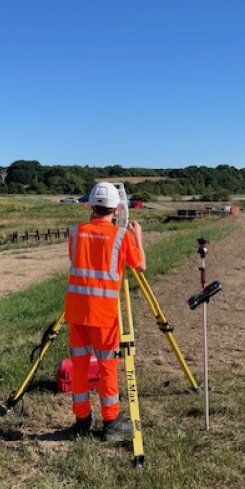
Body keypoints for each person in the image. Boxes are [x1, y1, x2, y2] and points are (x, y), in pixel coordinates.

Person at [63, 182, 146, 441]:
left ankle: (81, 421)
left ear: (91, 206)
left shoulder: (76, 232)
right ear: (117, 208)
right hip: (103, 315)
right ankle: (111, 422)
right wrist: (138, 237)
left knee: (79, 366)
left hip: (76, 311)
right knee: (107, 367)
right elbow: (140, 265)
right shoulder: (121, 236)